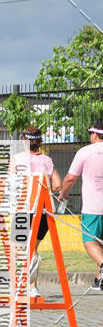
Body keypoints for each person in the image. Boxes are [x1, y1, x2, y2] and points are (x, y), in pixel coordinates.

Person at [11, 125, 62, 298]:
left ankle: (29, 282)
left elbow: (11, 182)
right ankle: (33, 288)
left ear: (24, 140)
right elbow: (57, 185)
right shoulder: (47, 160)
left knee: (19, 247)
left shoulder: (17, 159)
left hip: (24, 208)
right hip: (44, 210)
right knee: (32, 247)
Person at [58, 122, 103, 290]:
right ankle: (99, 279)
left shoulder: (85, 152)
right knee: (101, 243)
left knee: (90, 241)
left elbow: (70, 178)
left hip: (93, 207)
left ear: (95, 135)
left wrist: (63, 193)